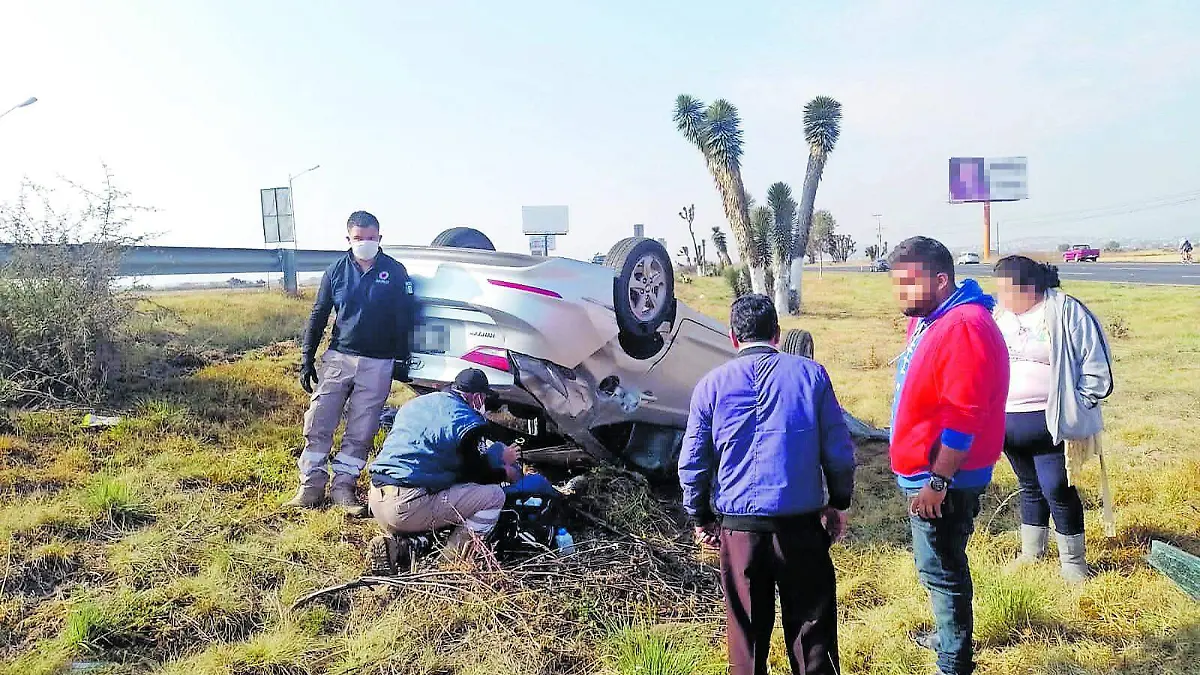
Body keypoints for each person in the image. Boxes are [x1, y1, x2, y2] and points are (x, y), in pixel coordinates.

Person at [679, 294, 856, 675]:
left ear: (732, 336)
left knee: (746, 636)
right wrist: (838, 502)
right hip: (801, 528)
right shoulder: (811, 375)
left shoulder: (710, 385)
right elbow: (840, 451)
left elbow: (693, 462)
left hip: (740, 531)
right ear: (778, 333)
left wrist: (701, 516)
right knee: (812, 635)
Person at [886, 237, 1009, 675]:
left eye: (907, 284)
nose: (899, 294)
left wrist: (938, 482)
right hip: (931, 472)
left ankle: (953, 661)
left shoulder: (964, 326)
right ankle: (948, 633)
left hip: (946, 478)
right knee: (936, 564)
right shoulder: (934, 317)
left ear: (940, 280)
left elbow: (964, 415)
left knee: (942, 569)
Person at [284, 211, 417, 515]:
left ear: (380, 238)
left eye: (371, 238)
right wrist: (307, 359)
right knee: (318, 420)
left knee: (362, 428)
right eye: (359, 238)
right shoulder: (335, 272)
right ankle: (310, 487)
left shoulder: (395, 272)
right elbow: (318, 316)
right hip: (339, 357)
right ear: (348, 239)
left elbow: (406, 317)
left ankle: (343, 487)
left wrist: (401, 357)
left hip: (378, 362)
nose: (365, 243)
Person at [993, 256, 1115, 582]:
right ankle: (1032, 554)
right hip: (1007, 422)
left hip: (1052, 424)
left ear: (1030, 287)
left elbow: (1095, 364)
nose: (1000, 297)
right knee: (1029, 487)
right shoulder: (1000, 315)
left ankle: (1074, 566)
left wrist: (1080, 404)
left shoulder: (1065, 312)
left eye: (1006, 290)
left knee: (1057, 488)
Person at [365, 368, 524, 573]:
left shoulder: (417, 404)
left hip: (378, 500)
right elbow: (477, 475)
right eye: (484, 398)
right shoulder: (468, 422)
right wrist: (505, 473)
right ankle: (448, 564)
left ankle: (402, 547)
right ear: (477, 397)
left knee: (446, 497)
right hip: (408, 505)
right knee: (493, 497)